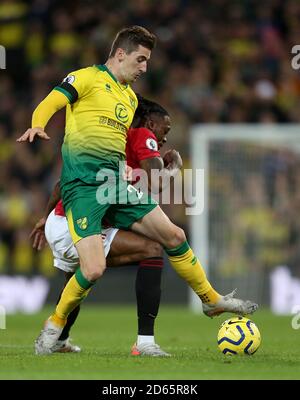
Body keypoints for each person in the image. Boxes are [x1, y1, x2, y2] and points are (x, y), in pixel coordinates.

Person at [17, 25, 258, 355]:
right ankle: (56, 323)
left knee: (173, 235)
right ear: (120, 54)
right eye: (141, 59)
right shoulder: (85, 78)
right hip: (84, 190)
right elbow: (52, 101)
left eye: (148, 61)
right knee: (94, 269)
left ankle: (211, 301)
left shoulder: (129, 98)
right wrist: (37, 123)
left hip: (115, 187)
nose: (145, 67)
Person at [31, 96, 179, 356]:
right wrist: (173, 170)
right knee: (152, 250)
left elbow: (62, 183)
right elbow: (156, 185)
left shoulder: (117, 144)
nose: (164, 138)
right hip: (73, 222)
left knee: (77, 282)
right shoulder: (134, 141)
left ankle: (58, 338)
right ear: (147, 124)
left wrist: (44, 218)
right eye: (163, 131)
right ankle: (144, 342)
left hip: (66, 219)